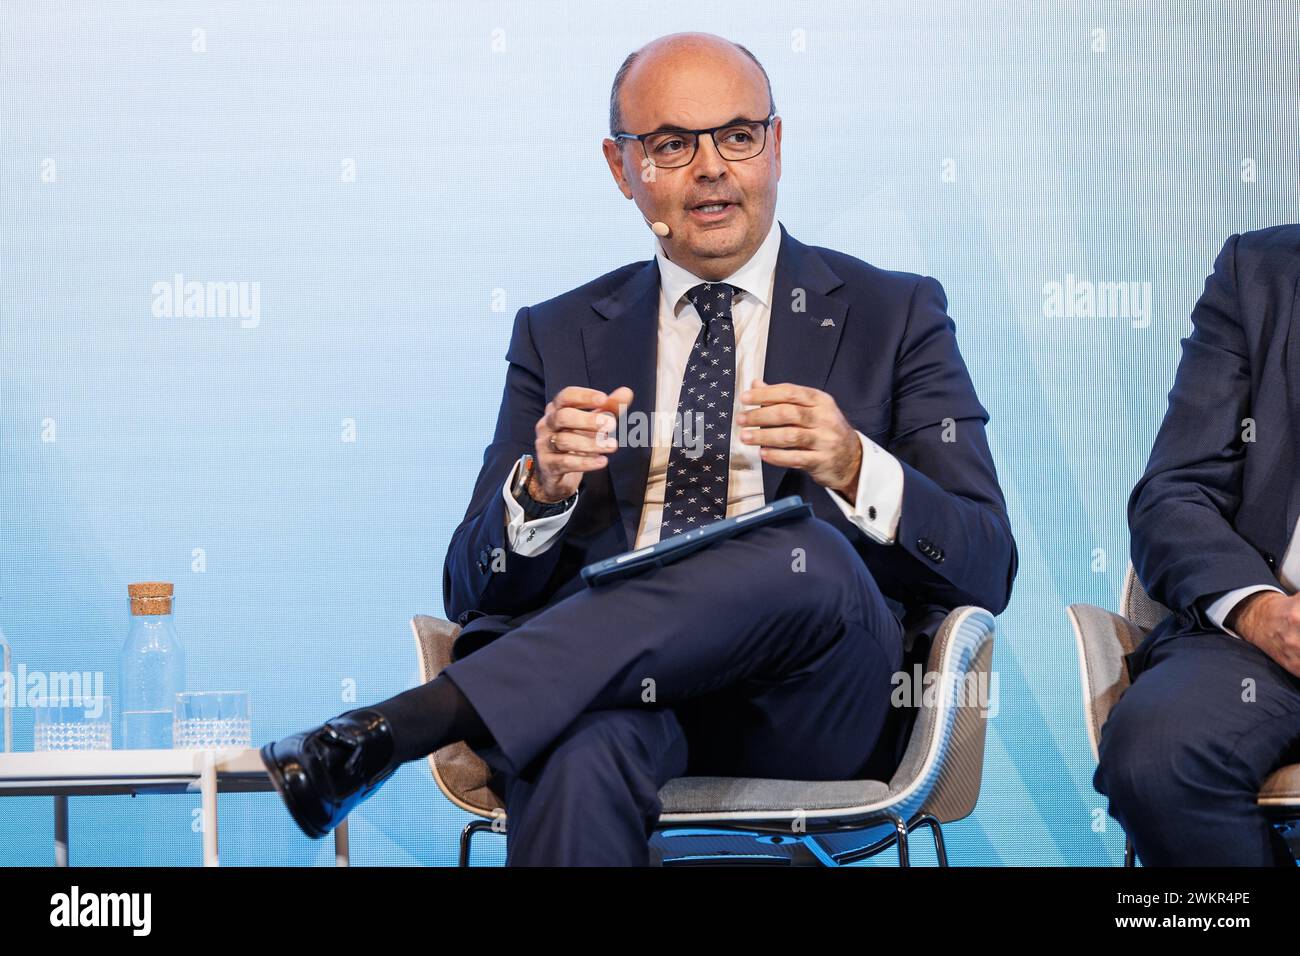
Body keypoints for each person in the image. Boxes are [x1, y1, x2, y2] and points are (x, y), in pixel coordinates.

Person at [260, 31, 1017, 865]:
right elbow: (468, 582)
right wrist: (538, 494)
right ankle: (426, 721)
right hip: (610, 700)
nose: (712, 168)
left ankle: (405, 723)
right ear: (622, 169)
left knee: (800, 548)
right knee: (574, 759)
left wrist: (853, 466)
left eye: (738, 135)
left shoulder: (893, 312)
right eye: (670, 145)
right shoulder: (559, 334)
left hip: (811, 700)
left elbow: (986, 565)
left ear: (775, 145)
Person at [1095, 225, 1300, 866]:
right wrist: (1262, 614)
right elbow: (1174, 495)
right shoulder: (1259, 272)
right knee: (1161, 753)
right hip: (1271, 642)